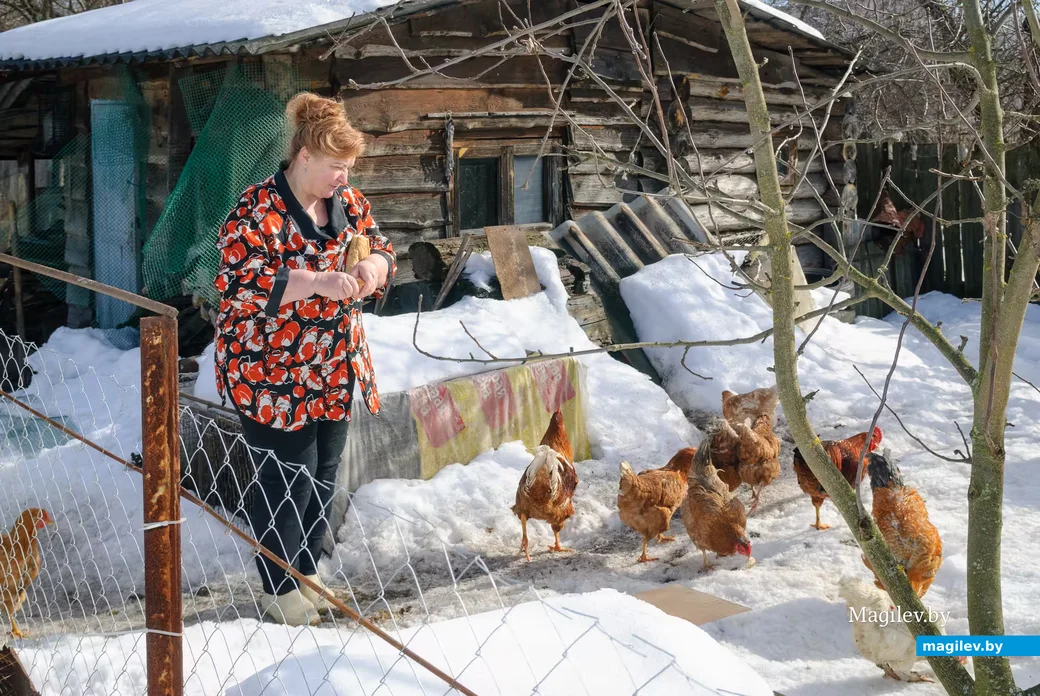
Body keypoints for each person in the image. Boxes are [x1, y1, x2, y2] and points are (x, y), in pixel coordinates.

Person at [212, 92, 396, 626]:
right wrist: (317, 281)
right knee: (286, 475)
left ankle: (305, 571)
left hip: (334, 364)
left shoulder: (350, 204)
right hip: (270, 369)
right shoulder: (256, 209)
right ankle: (276, 586)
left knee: (324, 474)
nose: (344, 178)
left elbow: (381, 245)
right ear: (304, 156)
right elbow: (238, 283)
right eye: (337, 167)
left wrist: (374, 271)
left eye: (349, 169)